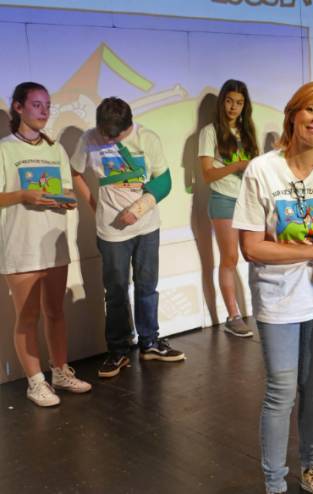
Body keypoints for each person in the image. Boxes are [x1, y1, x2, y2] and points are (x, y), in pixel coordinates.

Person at [233, 80, 313, 494]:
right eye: (312, 110)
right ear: (294, 113)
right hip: (277, 299)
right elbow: (252, 248)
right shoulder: (262, 169)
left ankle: (311, 468)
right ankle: (274, 484)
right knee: (281, 391)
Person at [71, 97, 185, 378]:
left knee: (147, 286)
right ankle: (119, 349)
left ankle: (150, 342)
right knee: (116, 291)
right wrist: (94, 205)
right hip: (111, 233)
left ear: (128, 126)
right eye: (105, 134)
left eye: (116, 136)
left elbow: (164, 180)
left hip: (147, 227)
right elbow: (75, 172)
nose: (109, 140)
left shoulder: (147, 138)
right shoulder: (89, 138)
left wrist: (138, 209)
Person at [0, 81, 91, 407]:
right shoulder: (5, 149)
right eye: (36, 105)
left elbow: (67, 190)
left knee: (55, 312)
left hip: (53, 245)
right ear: (18, 107)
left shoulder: (55, 149)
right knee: (27, 317)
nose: (43, 111)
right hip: (20, 244)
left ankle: (60, 372)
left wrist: (67, 200)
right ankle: (35, 382)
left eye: (47, 105)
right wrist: (23, 195)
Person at [198, 79, 259, 337]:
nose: (233, 107)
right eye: (229, 101)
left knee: (254, 253)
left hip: (249, 200)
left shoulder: (248, 132)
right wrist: (237, 166)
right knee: (230, 258)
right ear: (222, 102)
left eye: (239, 102)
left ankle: (260, 308)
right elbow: (207, 174)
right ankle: (233, 316)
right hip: (223, 199)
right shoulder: (209, 132)